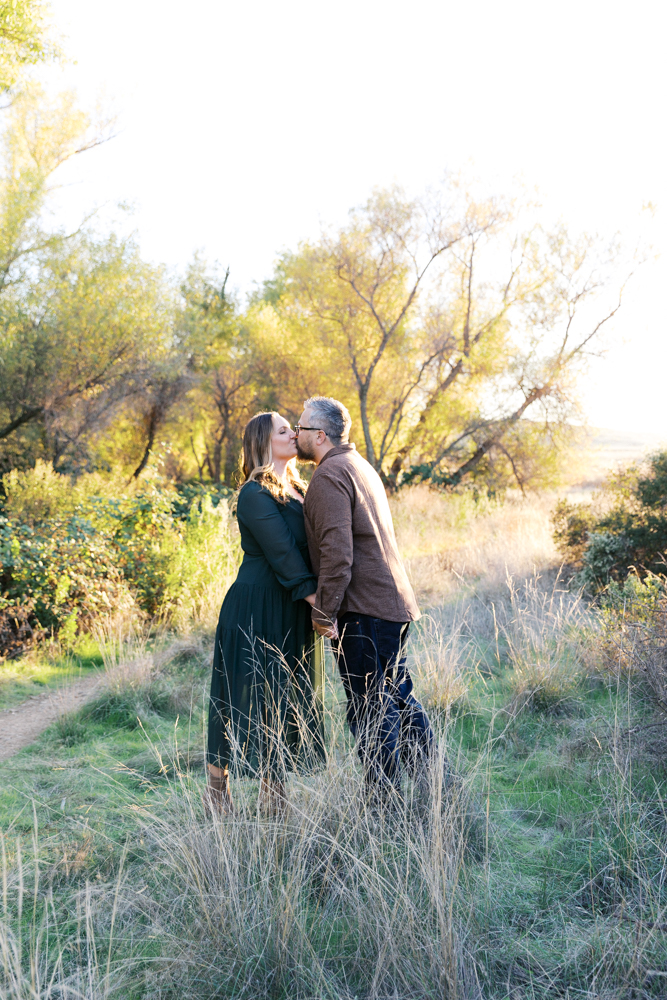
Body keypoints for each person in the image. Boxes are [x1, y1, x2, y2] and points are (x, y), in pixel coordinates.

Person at [296, 395, 437, 801]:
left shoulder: (329, 475)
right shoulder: (358, 465)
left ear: (319, 435)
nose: (297, 432)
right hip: (390, 605)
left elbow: (337, 554)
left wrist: (324, 613)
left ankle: (383, 806)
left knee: (370, 710)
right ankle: (433, 786)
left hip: (364, 611)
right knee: (396, 698)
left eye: (301, 427)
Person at [205, 411, 325, 816]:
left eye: (294, 428)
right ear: (263, 442)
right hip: (256, 606)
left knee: (282, 697)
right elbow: (283, 554)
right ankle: (217, 792)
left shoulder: (299, 487)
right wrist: (322, 606)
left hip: (291, 606)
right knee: (238, 696)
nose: (294, 434)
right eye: (284, 430)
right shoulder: (254, 494)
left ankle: (273, 797)